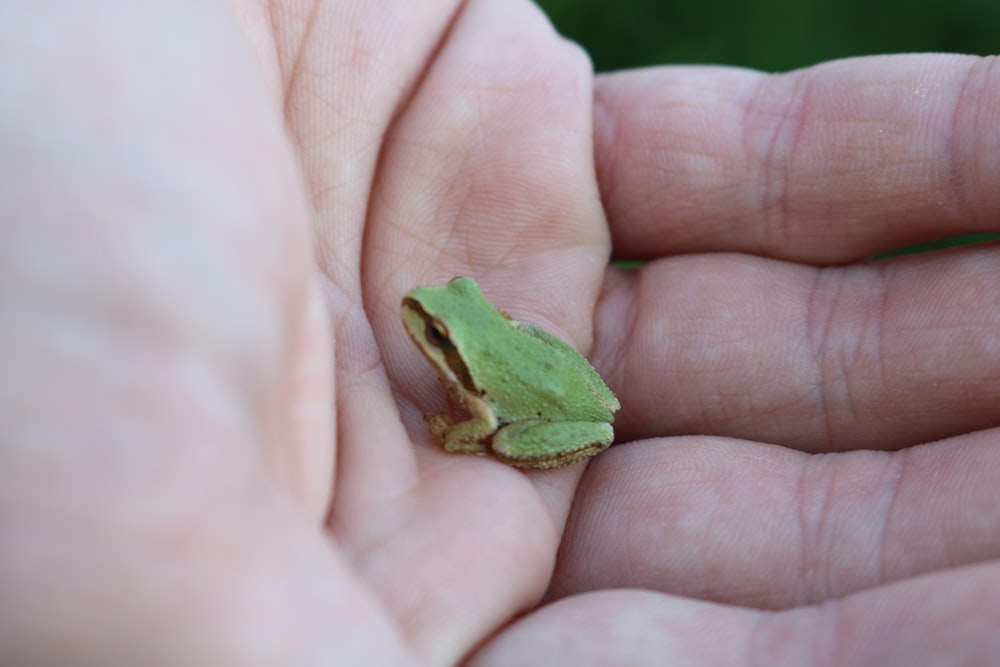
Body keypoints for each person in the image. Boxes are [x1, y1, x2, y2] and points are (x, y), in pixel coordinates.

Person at [2, 2, 998, 664]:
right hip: (552, 366)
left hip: (550, 409)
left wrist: (457, 427)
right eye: (436, 324)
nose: (422, 328)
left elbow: (474, 417)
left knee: (528, 411)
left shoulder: (463, 376)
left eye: (434, 328)